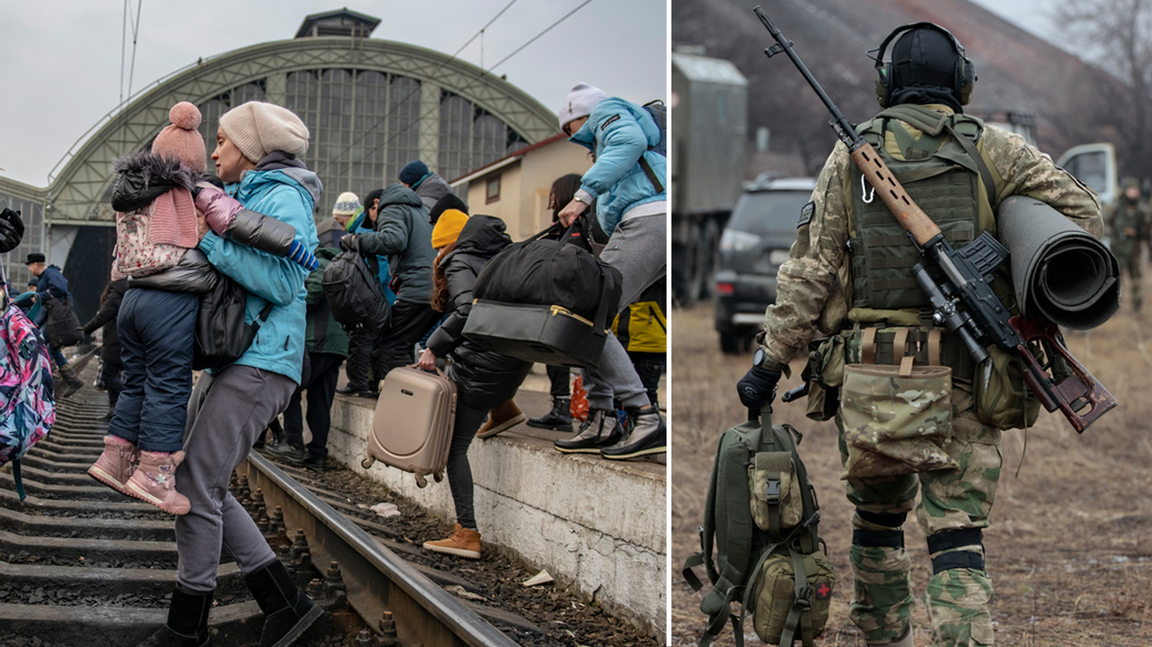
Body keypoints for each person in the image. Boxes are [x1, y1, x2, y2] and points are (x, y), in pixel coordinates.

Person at [735, 24, 1102, 647]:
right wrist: (1006, 216)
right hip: (967, 368)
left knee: (877, 522)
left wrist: (770, 362)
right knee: (956, 534)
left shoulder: (848, 159)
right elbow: (1083, 216)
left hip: (871, 373)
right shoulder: (996, 149)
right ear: (962, 81)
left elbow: (809, 272)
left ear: (885, 84)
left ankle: (886, 636)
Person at [133, 100, 323, 647]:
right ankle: (287, 605)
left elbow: (287, 283)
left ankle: (187, 628)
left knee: (193, 483)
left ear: (251, 146)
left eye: (221, 140)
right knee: (204, 483)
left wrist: (206, 238)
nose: (213, 150)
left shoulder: (282, 194)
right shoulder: (248, 194)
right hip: (238, 355)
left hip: (262, 359)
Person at [553, 83, 667, 460]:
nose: (570, 138)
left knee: (586, 312)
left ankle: (643, 416)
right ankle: (602, 416)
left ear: (577, 115)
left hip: (649, 219)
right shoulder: (610, 123)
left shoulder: (609, 112)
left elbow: (628, 143)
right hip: (653, 223)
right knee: (597, 314)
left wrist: (581, 197)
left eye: (568, 128)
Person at [415, 212, 531, 559]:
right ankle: (504, 408)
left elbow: (468, 308)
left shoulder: (459, 260)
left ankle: (467, 533)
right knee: (476, 379)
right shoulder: (506, 257)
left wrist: (434, 346)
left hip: (484, 367)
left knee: (454, 449)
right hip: (516, 361)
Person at [342, 183, 439, 384]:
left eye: (373, 221)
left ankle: (397, 401)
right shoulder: (420, 210)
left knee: (390, 346)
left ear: (376, 204)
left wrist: (356, 240)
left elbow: (394, 240)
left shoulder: (392, 207)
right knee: (400, 344)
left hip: (417, 289)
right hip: (432, 290)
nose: (376, 226)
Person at [266, 243, 350, 471]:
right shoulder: (343, 268)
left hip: (317, 341)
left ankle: (293, 445)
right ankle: (318, 456)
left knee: (291, 390)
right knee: (321, 402)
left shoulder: (322, 264)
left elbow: (311, 295)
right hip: (336, 345)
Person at [525, 173, 586, 433]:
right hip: (558, 299)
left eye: (554, 193)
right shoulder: (559, 227)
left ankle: (570, 409)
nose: (550, 199)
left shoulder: (578, 228)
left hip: (570, 301)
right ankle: (562, 407)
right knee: (553, 355)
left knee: (564, 357)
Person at [333, 189, 398, 398]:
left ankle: (359, 383)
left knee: (362, 340)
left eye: (341, 222)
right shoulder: (364, 228)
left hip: (375, 298)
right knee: (375, 344)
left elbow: (379, 262)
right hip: (383, 296)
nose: (340, 226)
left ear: (350, 217)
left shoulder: (363, 231)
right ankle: (372, 384)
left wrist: (367, 290)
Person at [25, 252, 84, 397]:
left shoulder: (51, 273)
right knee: (52, 348)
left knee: (43, 346)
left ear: (34, 264)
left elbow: (60, 288)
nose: (29, 270)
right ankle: (70, 379)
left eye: (29, 266)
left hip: (54, 319)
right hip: (51, 318)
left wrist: (40, 296)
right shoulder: (45, 276)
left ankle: (44, 382)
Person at [81, 273, 129, 420]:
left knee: (108, 375)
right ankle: (114, 410)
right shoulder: (128, 290)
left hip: (115, 341)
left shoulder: (116, 292)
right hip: (124, 341)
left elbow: (102, 316)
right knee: (115, 375)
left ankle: (127, 400)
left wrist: (84, 330)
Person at [1105, 178, 1149, 312]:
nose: (1133, 193)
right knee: (1116, 279)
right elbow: (1107, 224)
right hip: (1117, 249)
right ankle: (1112, 305)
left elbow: (1147, 230)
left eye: (1135, 191)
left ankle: (1137, 306)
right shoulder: (1116, 207)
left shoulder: (1142, 210)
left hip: (1134, 250)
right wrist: (1118, 233)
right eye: (1131, 190)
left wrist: (1136, 233)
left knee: (1136, 279)